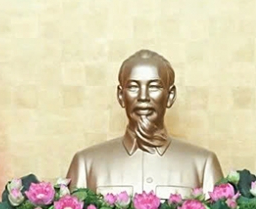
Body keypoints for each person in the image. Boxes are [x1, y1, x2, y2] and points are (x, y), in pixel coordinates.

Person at [65, 49, 223, 198]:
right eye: (133, 87)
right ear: (121, 96)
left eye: (154, 86)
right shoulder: (86, 164)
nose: (143, 96)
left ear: (170, 96)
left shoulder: (203, 164)